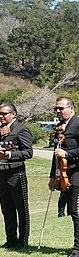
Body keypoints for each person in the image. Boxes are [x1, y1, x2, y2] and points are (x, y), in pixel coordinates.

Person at [49, 97, 79, 257]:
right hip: (66, 172)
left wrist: (68, 153)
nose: (58, 111)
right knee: (73, 209)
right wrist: (53, 175)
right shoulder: (60, 128)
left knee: (77, 209)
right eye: (56, 109)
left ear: (71, 108)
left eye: (61, 108)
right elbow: (56, 154)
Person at [0, 103, 33, 249]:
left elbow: (28, 152)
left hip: (16, 173)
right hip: (1, 173)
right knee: (6, 209)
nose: (1, 116)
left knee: (21, 208)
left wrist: (8, 154)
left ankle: (23, 240)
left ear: (13, 114)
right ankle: (11, 240)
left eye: (4, 114)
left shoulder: (21, 129)